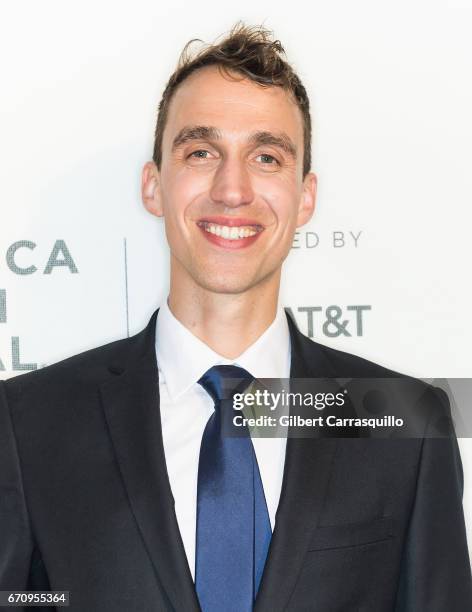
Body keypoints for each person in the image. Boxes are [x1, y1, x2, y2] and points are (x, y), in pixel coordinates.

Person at [0, 22, 471, 612]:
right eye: (201, 152)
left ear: (306, 197)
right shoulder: (28, 424)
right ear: (154, 186)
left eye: (267, 157)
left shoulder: (405, 423)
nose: (232, 188)